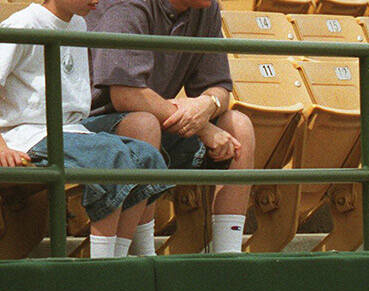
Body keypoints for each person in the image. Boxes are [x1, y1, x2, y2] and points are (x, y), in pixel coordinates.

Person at [0, 0, 169, 258]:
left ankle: (126, 257)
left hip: (72, 130)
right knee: (110, 156)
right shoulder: (23, 24)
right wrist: (1, 146)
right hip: (29, 133)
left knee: (147, 156)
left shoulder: (79, 24)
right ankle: (102, 265)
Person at [85, 0, 255, 254]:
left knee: (238, 126)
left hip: (158, 120)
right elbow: (126, 94)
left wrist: (206, 105)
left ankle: (228, 258)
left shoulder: (206, 8)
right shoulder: (127, 5)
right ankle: (134, 254)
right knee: (144, 125)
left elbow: (219, 86)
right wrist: (203, 128)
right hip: (92, 126)